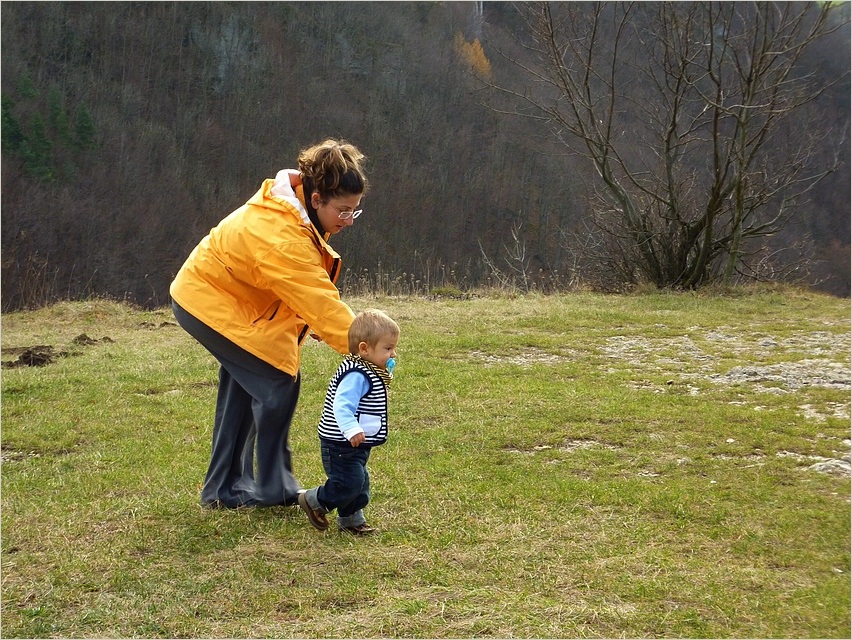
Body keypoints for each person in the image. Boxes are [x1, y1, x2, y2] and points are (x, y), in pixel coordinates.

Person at [170, 139, 368, 509]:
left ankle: (224, 490)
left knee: (250, 383)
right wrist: (365, 347)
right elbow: (318, 299)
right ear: (315, 199)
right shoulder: (283, 235)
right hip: (206, 301)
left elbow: (300, 293)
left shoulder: (297, 212)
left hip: (233, 302)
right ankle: (271, 488)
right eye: (342, 211)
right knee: (276, 380)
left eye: (354, 212)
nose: (347, 221)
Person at [298, 309, 399, 535]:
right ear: (364, 349)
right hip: (340, 442)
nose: (393, 355)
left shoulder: (371, 368)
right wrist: (351, 428)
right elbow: (342, 405)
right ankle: (313, 500)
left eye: (394, 348)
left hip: (357, 443)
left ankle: (351, 519)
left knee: (360, 481)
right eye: (388, 348)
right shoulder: (356, 374)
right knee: (348, 482)